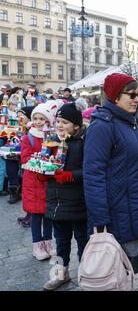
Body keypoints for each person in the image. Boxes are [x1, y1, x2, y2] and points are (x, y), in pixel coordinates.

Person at [83, 73, 138, 273]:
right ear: (115, 96)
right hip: (114, 214)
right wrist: (100, 219)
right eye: (132, 95)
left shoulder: (130, 122)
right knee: (113, 270)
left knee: (129, 269)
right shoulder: (102, 126)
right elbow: (93, 175)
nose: (137, 99)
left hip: (132, 207)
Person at [43, 99, 89, 291]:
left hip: (78, 203)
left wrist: (71, 176)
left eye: (65, 122)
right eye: (58, 122)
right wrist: (41, 172)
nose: (59, 126)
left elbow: (90, 170)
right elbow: (45, 165)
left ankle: (87, 275)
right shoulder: (51, 142)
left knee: (83, 242)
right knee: (60, 242)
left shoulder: (83, 144)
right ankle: (61, 274)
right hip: (56, 203)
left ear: (76, 125)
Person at [21, 103, 56, 261]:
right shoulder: (27, 137)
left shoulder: (52, 137)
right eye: (36, 118)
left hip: (48, 182)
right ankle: (37, 244)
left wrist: (52, 162)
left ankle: (48, 242)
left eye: (42, 118)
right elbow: (25, 158)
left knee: (48, 215)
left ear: (48, 121)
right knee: (36, 215)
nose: (38, 121)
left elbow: (56, 155)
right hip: (33, 183)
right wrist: (40, 162)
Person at [16, 106, 36, 227]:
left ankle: (32, 216)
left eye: (21, 115)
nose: (19, 117)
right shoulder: (25, 128)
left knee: (32, 192)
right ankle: (29, 214)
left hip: (32, 166)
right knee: (26, 191)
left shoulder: (33, 130)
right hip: (26, 165)